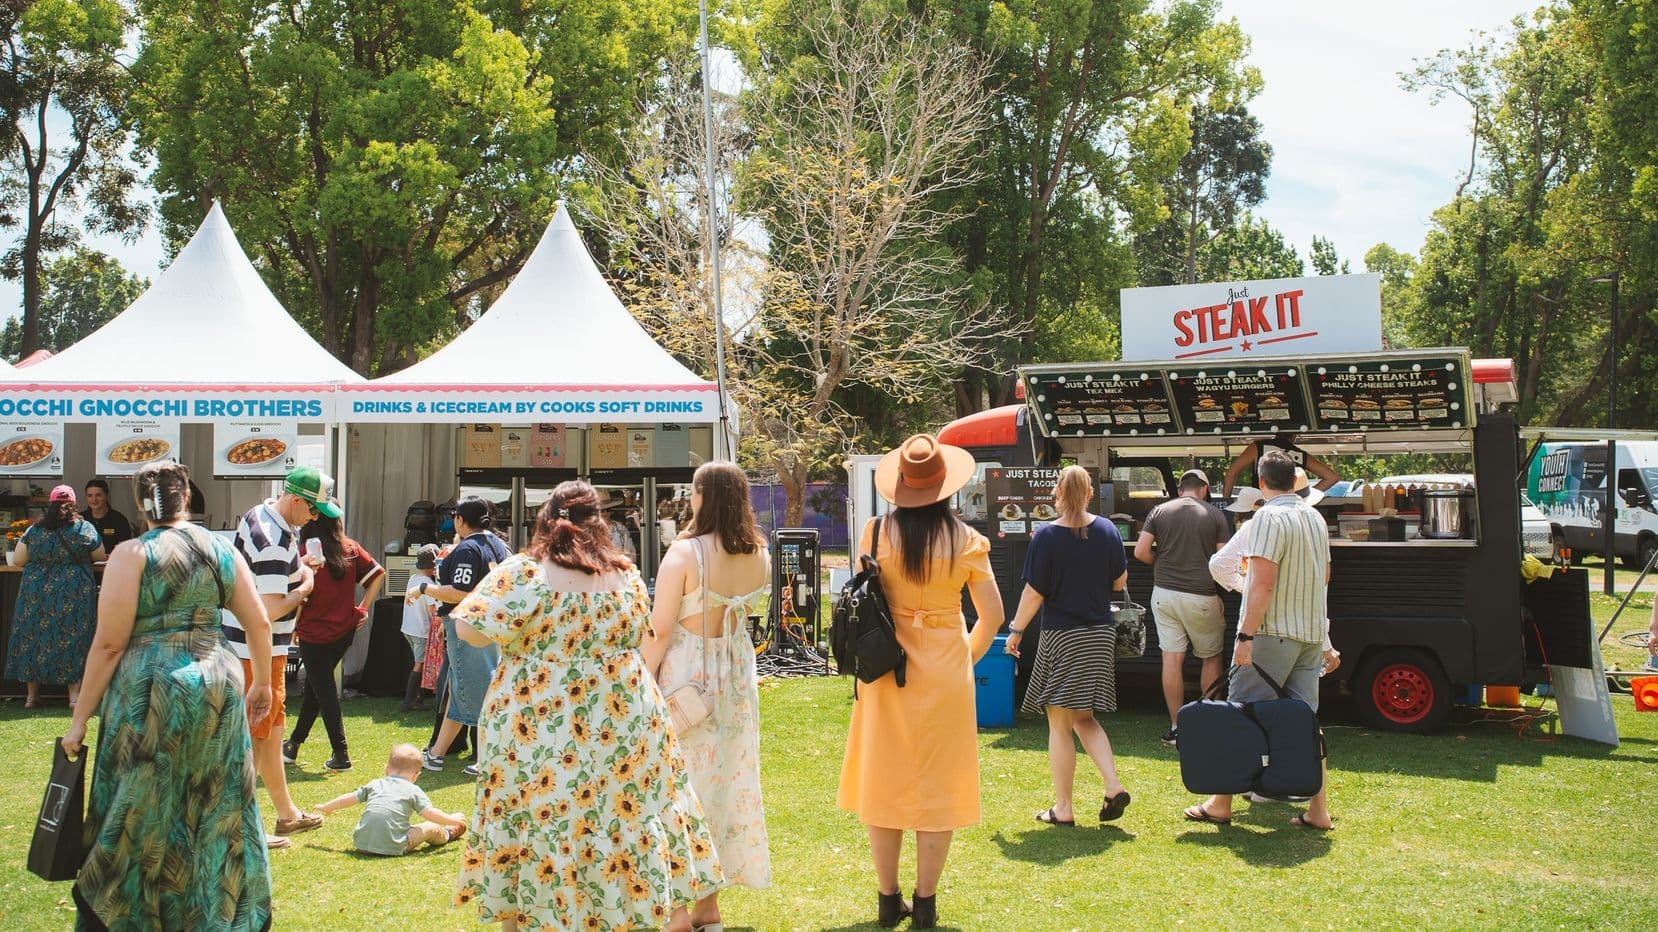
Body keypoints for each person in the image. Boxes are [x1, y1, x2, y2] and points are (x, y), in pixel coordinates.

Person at [449, 480, 723, 930]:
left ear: (545, 518)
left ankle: (531, 916)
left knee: (538, 816)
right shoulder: (624, 573)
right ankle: (648, 911)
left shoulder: (523, 573)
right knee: (626, 812)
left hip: (539, 721)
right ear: (600, 523)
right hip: (623, 715)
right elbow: (640, 634)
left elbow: (469, 630)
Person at [61, 462, 275, 929]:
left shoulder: (132, 553)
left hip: (151, 687)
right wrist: (263, 682)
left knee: (140, 803)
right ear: (188, 500)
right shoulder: (222, 550)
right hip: (218, 682)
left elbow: (110, 642)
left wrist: (79, 719)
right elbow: (258, 621)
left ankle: (130, 912)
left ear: (142, 504)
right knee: (217, 803)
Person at [839, 434, 1005, 929]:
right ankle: (926, 903)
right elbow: (992, 616)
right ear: (946, 487)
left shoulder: (874, 533)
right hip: (945, 674)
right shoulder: (967, 540)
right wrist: (962, 661)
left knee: (883, 780)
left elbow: (864, 600)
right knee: (940, 786)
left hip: (885, 669)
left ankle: (888, 900)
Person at [645, 462, 773, 932]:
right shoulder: (758, 551)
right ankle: (708, 909)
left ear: (702, 496)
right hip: (735, 683)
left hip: (687, 679)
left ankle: (681, 909)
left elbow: (658, 631)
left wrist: (641, 682)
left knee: (679, 793)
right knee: (724, 789)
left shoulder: (685, 553)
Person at [1185, 450, 1335, 831]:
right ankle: (1318, 811)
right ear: (1296, 481)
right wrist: (1326, 638)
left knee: (1239, 715)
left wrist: (1246, 635)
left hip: (1271, 633)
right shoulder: (1315, 517)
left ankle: (1220, 803)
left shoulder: (1267, 517)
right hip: (1309, 635)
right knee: (1306, 723)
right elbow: (1322, 581)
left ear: (1262, 483)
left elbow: (1262, 582)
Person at [1005, 465, 1132, 828]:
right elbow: (1119, 579)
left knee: (1059, 724)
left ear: (1057, 493)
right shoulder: (1107, 530)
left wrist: (1015, 631)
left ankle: (1063, 808)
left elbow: (1034, 592)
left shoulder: (1046, 536)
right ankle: (1112, 785)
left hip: (1063, 634)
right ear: (1090, 493)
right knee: (1084, 717)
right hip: (1100, 634)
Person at [231, 466, 332, 847]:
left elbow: (262, 581)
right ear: (295, 501)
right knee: (255, 740)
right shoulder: (274, 539)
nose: (314, 518)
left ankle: (286, 815)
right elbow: (269, 610)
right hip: (257, 652)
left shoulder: (258, 515)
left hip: (247, 648)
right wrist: (305, 584)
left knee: (271, 734)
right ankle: (240, 828)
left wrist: (296, 569)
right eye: (312, 510)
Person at [410, 495, 508, 776]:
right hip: (491, 623)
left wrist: (424, 589)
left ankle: (488, 757)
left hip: (468, 625)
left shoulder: (468, 548)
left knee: (477, 689)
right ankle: (437, 753)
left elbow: (460, 591)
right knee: (459, 687)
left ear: (461, 520)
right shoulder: (498, 545)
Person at [282, 510, 385, 772]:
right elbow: (379, 573)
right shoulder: (349, 547)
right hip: (343, 630)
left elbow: (302, 592)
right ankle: (293, 745)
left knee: (324, 690)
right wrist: (362, 608)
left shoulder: (306, 550)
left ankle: (341, 754)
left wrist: (294, 624)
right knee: (316, 688)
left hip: (314, 632)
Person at [1133, 468, 1229, 746]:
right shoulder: (1214, 515)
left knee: (1171, 660)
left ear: (1180, 489)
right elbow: (1223, 561)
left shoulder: (1159, 511)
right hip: (1201, 595)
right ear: (1205, 489)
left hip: (1163, 594)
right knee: (1211, 657)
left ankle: (1176, 727)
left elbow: (1140, 552)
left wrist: (1161, 565)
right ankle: (1209, 723)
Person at [6, 485, 106, 708]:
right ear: (74, 504)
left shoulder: (35, 529)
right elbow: (99, 556)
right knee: (74, 639)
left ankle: (31, 696)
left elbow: (19, 560)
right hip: (74, 591)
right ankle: (74, 697)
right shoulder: (83, 527)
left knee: (33, 638)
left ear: (50, 505)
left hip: (36, 592)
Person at [314, 744, 466, 856]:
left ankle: (375, 837)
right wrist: (452, 820)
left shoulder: (375, 784)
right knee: (430, 827)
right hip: (394, 846)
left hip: (360, 842)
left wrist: (327, 807)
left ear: (386, 769)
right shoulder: (413, 790)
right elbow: (430, 814)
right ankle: (448, 833)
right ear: (416, 776)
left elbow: (348, 798)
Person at [1222, 434, 1338, 495]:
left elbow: (1231, 474)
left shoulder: (1257, 447)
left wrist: (1225, 502)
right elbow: (1332, 477)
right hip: (1291, 508)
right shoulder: (1300, 455)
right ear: (1294, 435)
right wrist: (1304, 497)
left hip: (1259, 507)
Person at [400, 544, 440, 710]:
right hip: (421, 631)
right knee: (420, 664)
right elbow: (433, 611)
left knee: (419, 662)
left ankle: (417, 698)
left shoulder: (413, 579)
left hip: (408, 628)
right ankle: (409, 701)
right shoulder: (427, 585)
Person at [81, 479, 134, 554]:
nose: (94, 500)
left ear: (107, 495)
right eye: (90, 495)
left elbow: (125, 548)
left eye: (98, 495)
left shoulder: (119, 519)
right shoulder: (81, 519)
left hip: (112, 563)